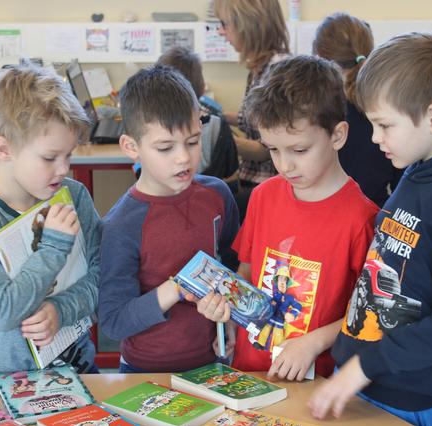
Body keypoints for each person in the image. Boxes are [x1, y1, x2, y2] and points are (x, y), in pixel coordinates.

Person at [308, 33, 432, 426]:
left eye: (384, 124)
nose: (374, 138)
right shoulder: (416, 170)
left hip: (406, 394)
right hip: (361, 376)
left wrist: (366, 365)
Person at [197, 56, 378, 381]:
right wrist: (229, 318)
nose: (285, 166)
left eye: (299, 150)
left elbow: (367, 313)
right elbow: (248, 271)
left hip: (314, 381)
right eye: (273, 150)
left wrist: (314, 342)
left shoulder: (361, 218)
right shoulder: (264, 197)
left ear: (337, 135)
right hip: (249, 371)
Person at [0, 64, 101, 375]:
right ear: (4, 149)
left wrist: (61, 310)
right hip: (1, 376)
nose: (64, 169)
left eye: (69, 155)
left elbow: (107, 274)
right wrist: (53, 248)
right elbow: (2, 311)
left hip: (76, 366)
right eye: (50, 158)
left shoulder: (74, 195)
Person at [98, 65, 239, 374]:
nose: (184, 158)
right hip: (145, 371)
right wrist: (176, 288)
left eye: (192, 141)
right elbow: (114, 321)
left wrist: (233, 323)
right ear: (131, 148)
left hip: (214, 364)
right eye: (165, 147)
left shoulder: (218, 196)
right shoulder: (121, 226)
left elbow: (232, 269)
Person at [313, 12, 402, 207]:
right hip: (378, 217)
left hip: (329, 215)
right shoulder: (388, 109)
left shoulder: (317, 111)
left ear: (318, 57)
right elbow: (401, 183)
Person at [214, 0, 290, 221]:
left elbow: (268, 148)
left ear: (247, 24)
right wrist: (219, 118)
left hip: (267, 189)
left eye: (224, 24)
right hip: (252, 181)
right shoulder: (260, 69)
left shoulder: (278, 72)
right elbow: (253, 122)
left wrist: (220, 140)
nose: (220, 31)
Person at [156, 46, 239, 194]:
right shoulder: (217, 124)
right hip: (212, 204)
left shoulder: (152, 126)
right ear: (201, 86)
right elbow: (231, 176)